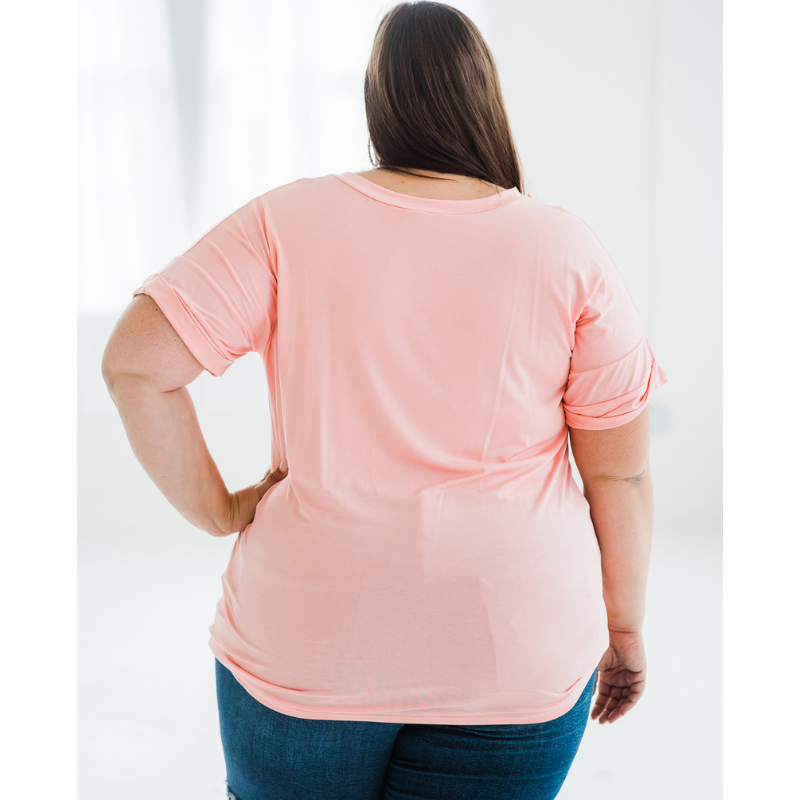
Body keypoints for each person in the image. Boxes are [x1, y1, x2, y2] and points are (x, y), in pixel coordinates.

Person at [101, 2, 668, 798]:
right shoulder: (566, 247)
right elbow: (621, 476)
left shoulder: (284, 221)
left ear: (378, 103)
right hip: (513, 645)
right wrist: (624, 626)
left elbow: (136, 365)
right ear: (484, 99)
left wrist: (219, 510)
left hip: (306, 643)